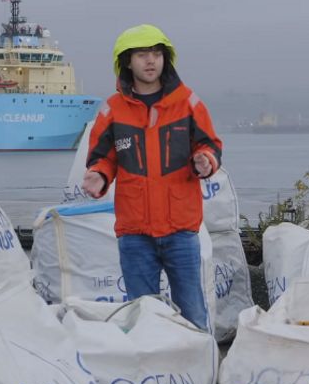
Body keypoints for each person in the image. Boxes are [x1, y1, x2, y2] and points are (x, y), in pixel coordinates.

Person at [81, 24, 223, 331]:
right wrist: (99, 176)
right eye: (143, 55)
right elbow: (103, 157)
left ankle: (199, 372)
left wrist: (205, 161)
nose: (151, 61)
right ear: (126, 62)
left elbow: (211, 145)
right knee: (142, 316)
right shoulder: (113, 110)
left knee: (193, 314)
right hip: (134, 234)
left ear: (166, 59)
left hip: (181, 230)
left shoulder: (188, 103)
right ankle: (153, 372)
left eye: (157, 54)